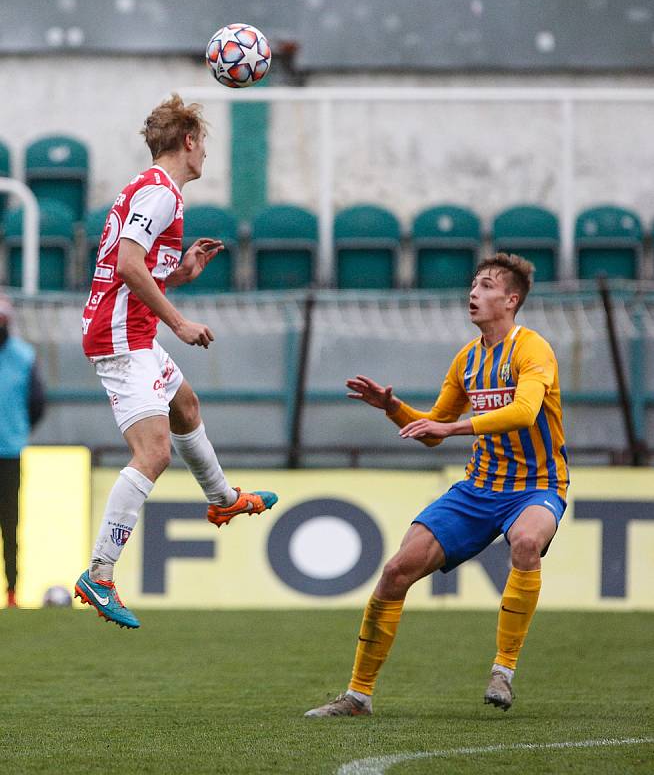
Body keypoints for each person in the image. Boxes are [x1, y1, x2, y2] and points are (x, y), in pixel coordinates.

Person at [304, 253, 568, 716]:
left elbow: (524, 413)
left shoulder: (533, 349)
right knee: (394, 573)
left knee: (525, 540)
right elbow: (431, 429)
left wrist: (452, 429)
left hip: (537, 485)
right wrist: (392, 407)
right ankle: (358, 696)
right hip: (478, 489)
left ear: (511, 300)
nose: (474, 292)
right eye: (473, 284)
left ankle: (502, 672)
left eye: (486, 286)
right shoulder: (467, 360)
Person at [75, 94, 277, 629]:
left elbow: (137, 267)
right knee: (154, 453)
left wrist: (181, 273)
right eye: (203, 142)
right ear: (189, 142)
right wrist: (180, 321)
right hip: (122, 335)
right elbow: (127, 265)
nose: (206, 152)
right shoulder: (160, 194)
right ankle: (99, 572)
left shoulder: (156, 193)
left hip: (129, 328)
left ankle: (223, 499)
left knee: (185, 405)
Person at [0, 291, 46, 608]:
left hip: (10, 451)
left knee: (9, 524)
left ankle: (12, 590)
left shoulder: (23, 356)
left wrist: (20, 429)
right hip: (12, 445)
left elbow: (37, 402)